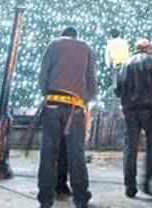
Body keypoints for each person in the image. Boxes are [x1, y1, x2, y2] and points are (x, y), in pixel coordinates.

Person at [37, 26, 98, 208]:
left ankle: (46, 199)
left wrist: (46, 94)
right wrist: (85, 99)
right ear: (76, 36)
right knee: (76, 154)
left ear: (63, 35)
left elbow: (43, 75)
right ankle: (81, 198)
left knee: (48, 153)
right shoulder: (87, 48)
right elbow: (92, 83)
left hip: (52, 104)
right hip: (75, 107)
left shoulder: (53, 44)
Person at [116, 38, 152, 197]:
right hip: (148, 108)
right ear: (145, 48)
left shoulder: (125, 63)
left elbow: (117, 88)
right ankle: (147, 182)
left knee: (130, 147)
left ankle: (130, 186)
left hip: (130, 109)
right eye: (150, 47)